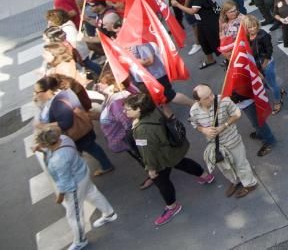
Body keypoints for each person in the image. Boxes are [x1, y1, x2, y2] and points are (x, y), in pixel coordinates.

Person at [125, 92, 214, 226]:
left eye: (127, 109)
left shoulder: (141, 130)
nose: (124, 112)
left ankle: (172, 207)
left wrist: (151, 169)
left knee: (162, 182)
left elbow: (147, 152)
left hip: (161, 158)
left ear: (139, 109)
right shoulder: (153, 110)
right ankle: (205, 176)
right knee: (182, 162)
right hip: (171, 149)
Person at [35, 127, 117, 250]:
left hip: (75, 185)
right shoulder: (64, 138)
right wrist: (43, 150)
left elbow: (65, 182)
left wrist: (60, 197)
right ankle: (109, 213)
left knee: (74, 215)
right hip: (82, 173)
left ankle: (80, 240)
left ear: (47, 144)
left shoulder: (58, 160)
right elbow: (55, 151)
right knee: (93, 194)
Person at [33, 75, 115, 176]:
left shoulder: (58, 102)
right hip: (83, 128)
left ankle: (105, 166)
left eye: (38, 92)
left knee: (91, 148)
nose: (35, 95)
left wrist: (43, 125)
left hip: (78, 133)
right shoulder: (64, 93)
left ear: (48, 91)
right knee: (92, 147)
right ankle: (105, 165)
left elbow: (66, 123)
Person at [188, 84, 258, 198]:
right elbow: (194, 124)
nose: (211, 98)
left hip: (232, 140)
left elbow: (237, 114)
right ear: (198, 101)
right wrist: (204, 130)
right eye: (206, 98)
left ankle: (250, 184)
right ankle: (235, 181)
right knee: (224, 166)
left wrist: (223, 126)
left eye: (211, 93)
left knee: (240, 164)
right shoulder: (194, 111)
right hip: (215, 145)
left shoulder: (223, 100)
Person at [172, 0, 221, 69]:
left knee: (216, 41)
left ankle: (230, 59)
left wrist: (177, 5)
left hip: (210, 22)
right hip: (202, 22)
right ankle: (210, 60)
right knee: (204, 41)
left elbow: (192, 11)